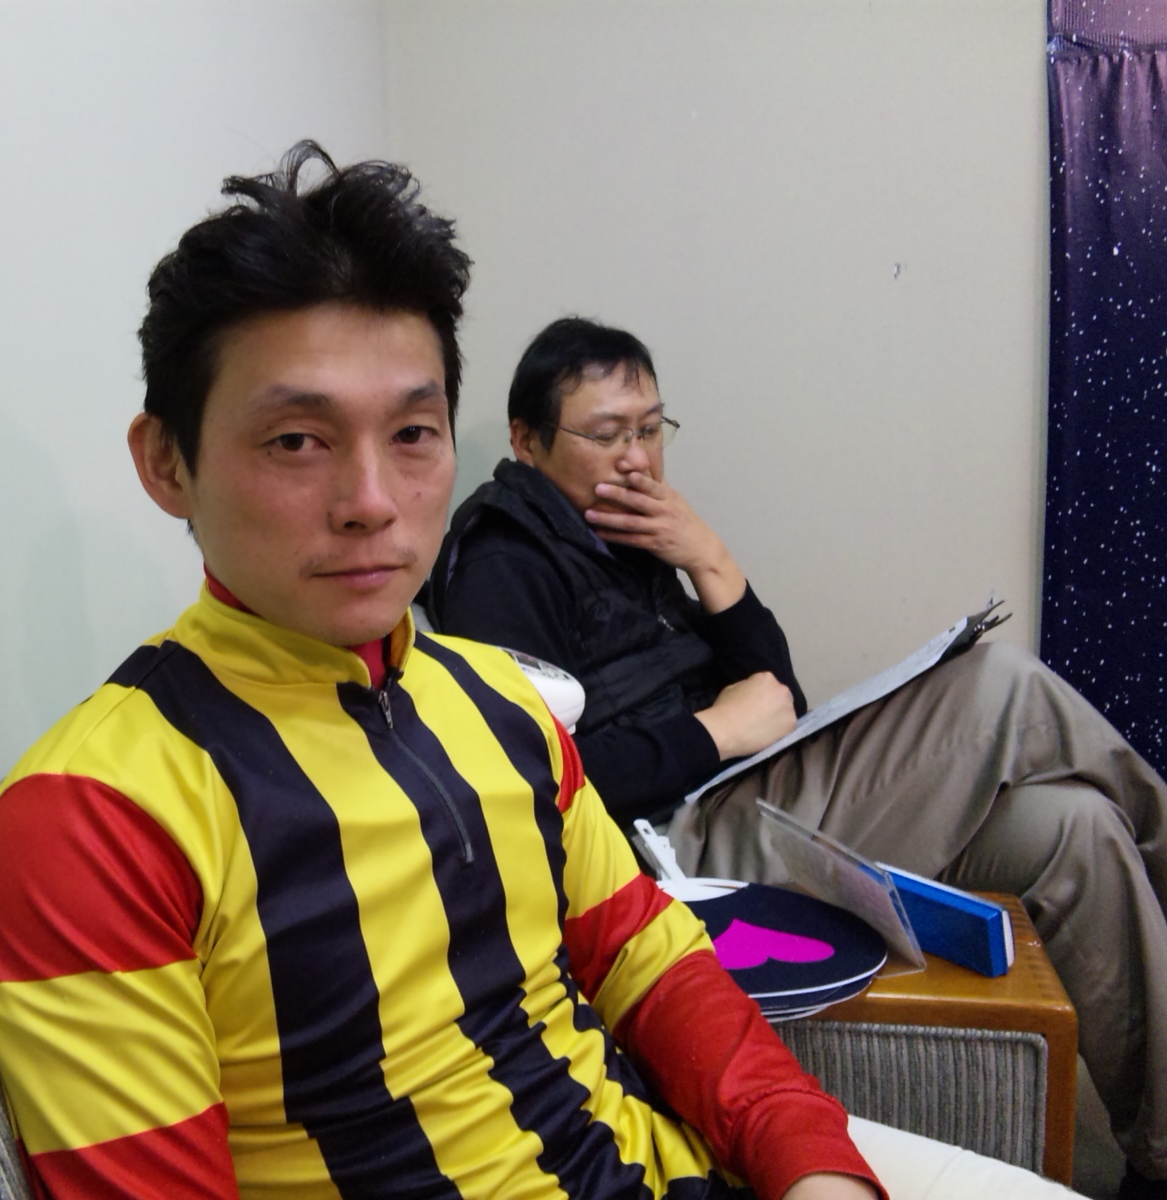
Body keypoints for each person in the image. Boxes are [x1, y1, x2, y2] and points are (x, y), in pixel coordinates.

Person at [0, 144, 1075, 1200]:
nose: (372, 502)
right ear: (166, 462)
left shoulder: (497, 699)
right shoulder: (91, 823)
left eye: (412, 433)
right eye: (297, 440)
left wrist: (806, 1160)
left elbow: (649, 959)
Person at [425, 315, 1167, 1200]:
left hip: (743, 801)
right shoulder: (501, 560)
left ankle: (1160, 1153)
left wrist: (709, 559)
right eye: (607, 433)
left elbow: (783, 700)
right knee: (1002, 684)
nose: (636, 458)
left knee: (1072, 827)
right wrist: (716, 731)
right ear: (526, 440)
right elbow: (529, 786)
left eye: (651, 429)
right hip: (670, 857)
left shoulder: (630, 539)